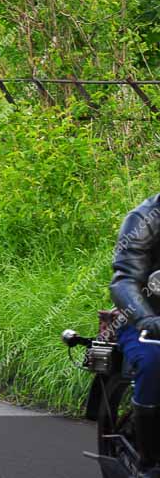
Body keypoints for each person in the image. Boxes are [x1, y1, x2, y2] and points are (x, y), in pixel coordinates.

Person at [111, 194, 160, 475]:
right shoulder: (144, 219)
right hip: (144, 320)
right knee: (154, 360)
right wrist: (146, 318)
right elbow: (124, 280)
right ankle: (149, 459)